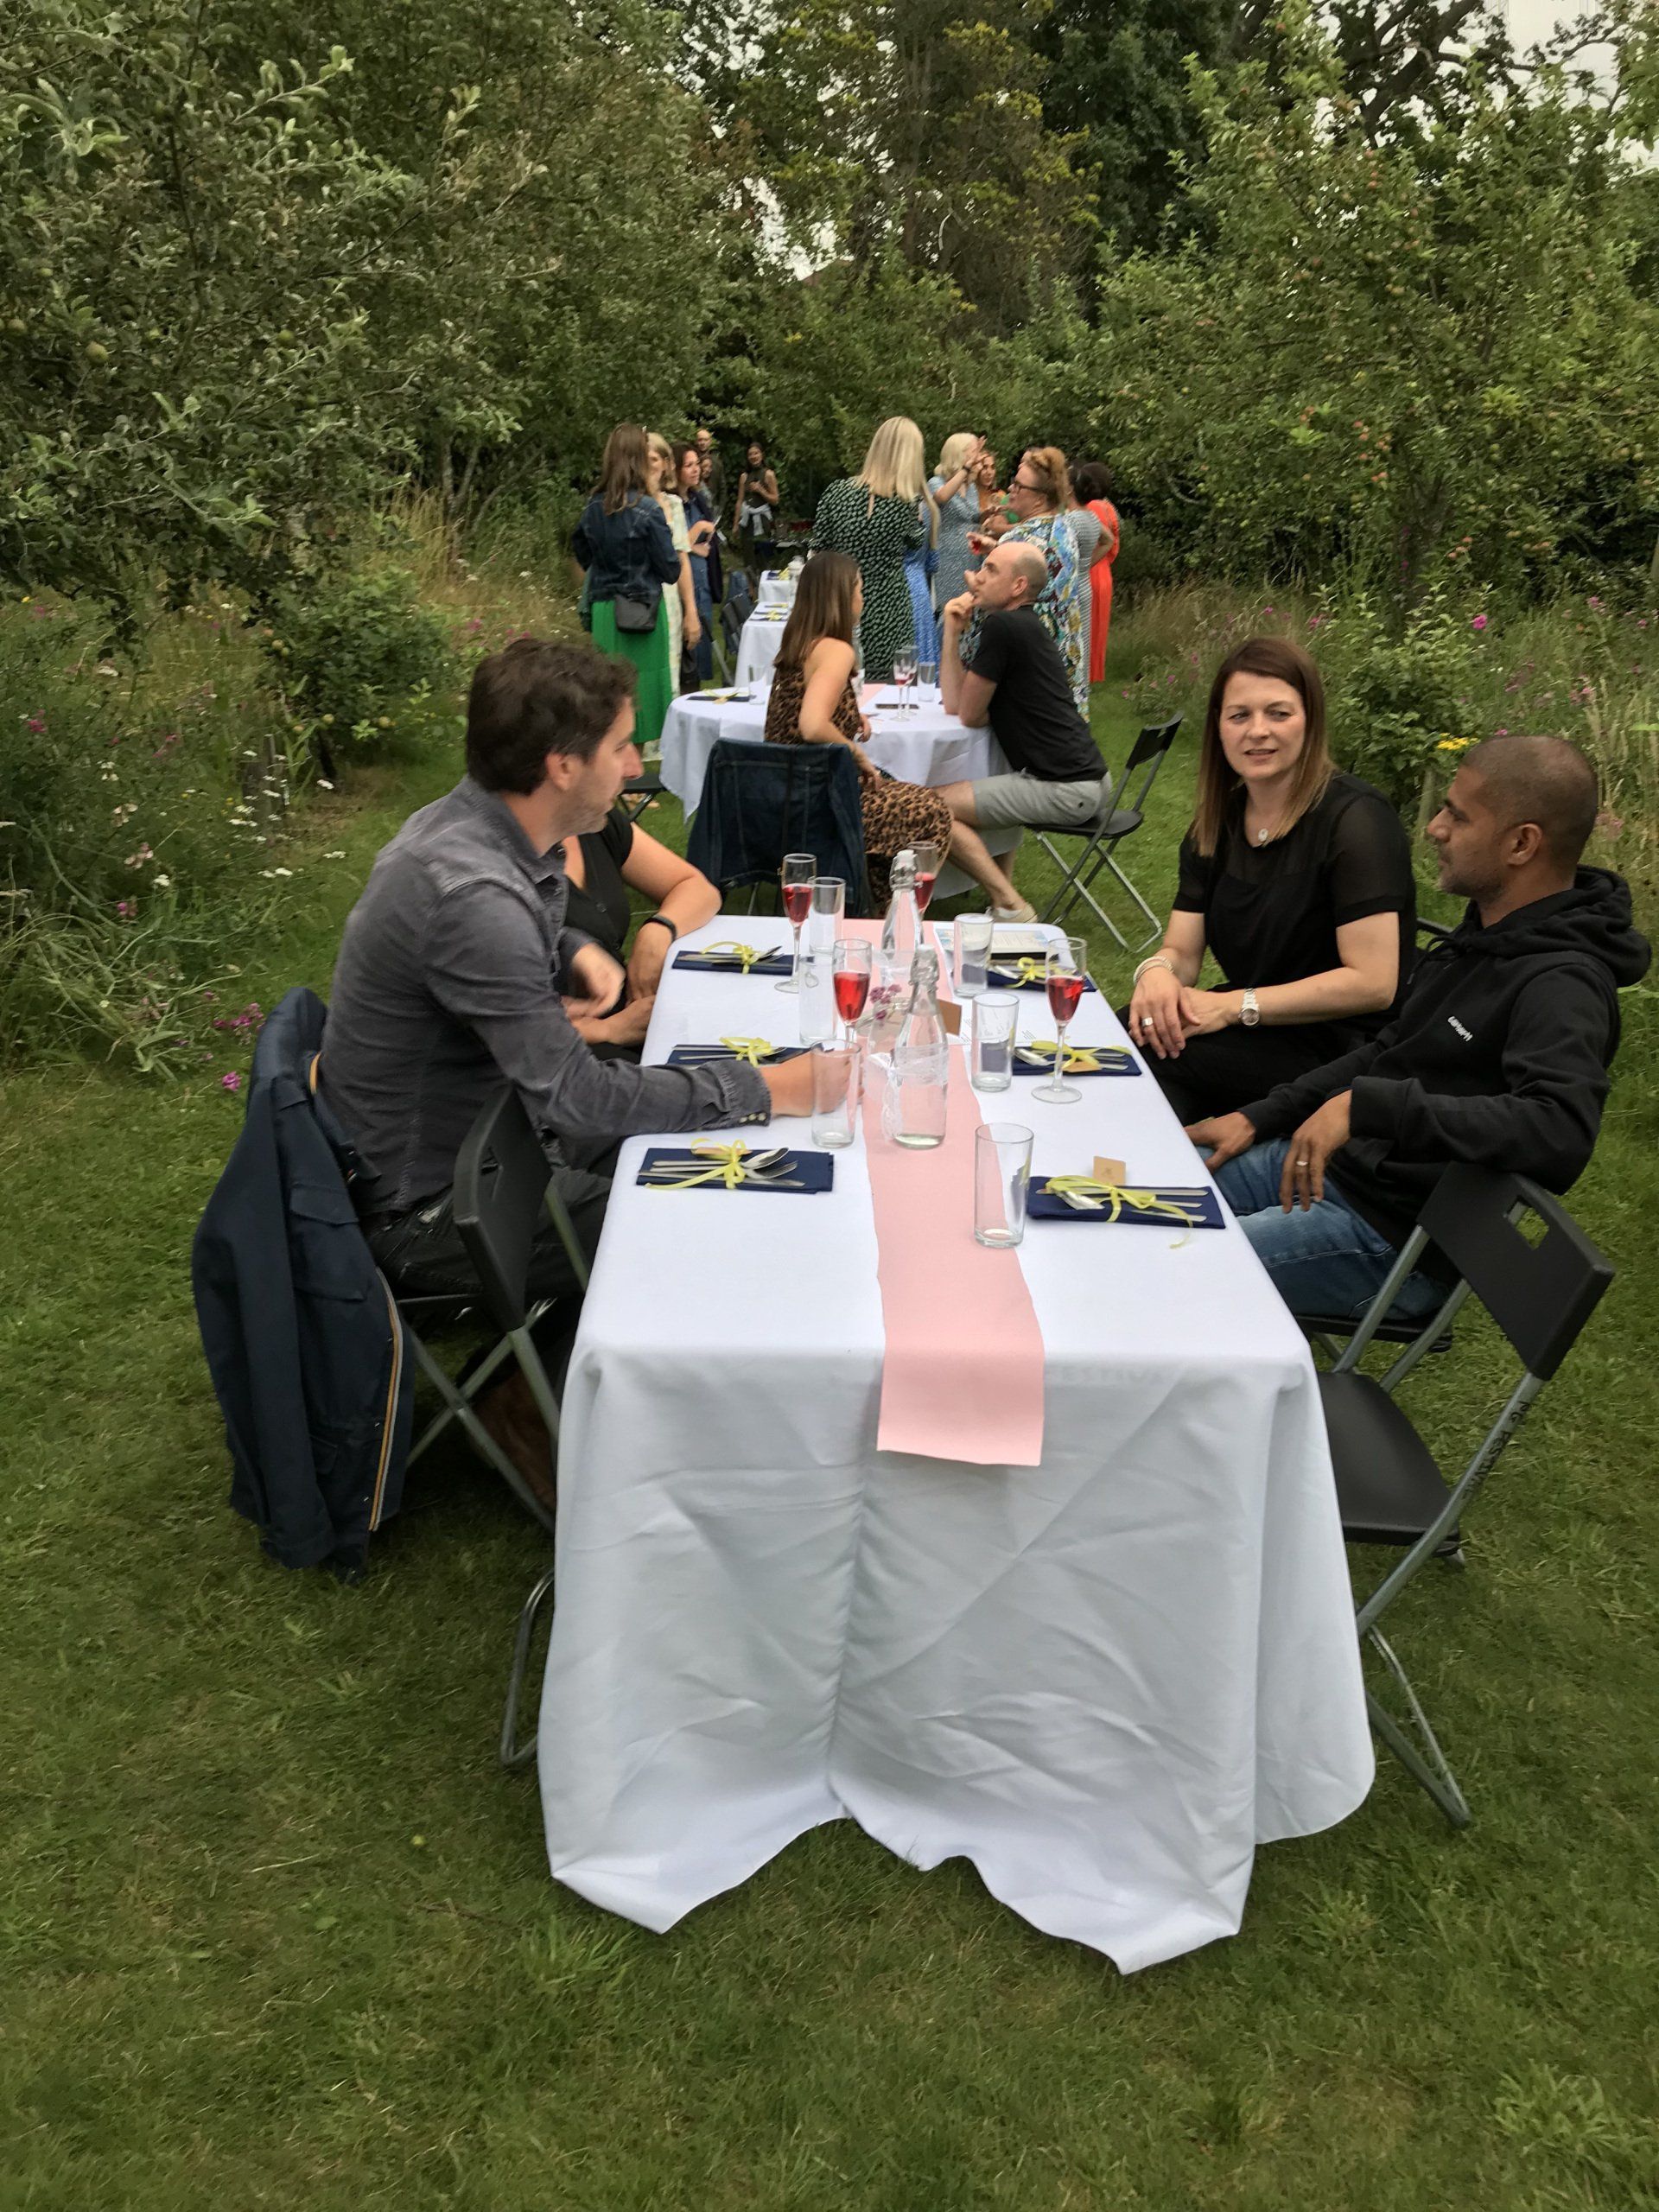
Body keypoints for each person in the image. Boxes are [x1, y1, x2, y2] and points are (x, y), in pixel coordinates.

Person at [324, 638, 813, 1308]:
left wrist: (567, 944)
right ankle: (570, 1396)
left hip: (506, 1145)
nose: (634, 766)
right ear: (561, 766)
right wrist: (766, 1086)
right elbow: (580, 1100)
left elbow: (485, 942)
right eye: (619, 747)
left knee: (738, 1157)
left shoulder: (465, 831)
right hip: (446, 1208)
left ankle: (556, 1386)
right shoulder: (473, 897)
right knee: (735, 1217)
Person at [1189, 734, 1650, 1322]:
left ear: (1520, 843)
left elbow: (1558, 1129)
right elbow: (1388, 1050)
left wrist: (1372, 1108)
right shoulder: (1484, 936)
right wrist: (1259, 1115)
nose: (1434, 827)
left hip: (1391, 1241)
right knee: (1157, 1200)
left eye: (1457, 815)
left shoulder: (1562, 984)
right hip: (1334, 1175)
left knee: (1174, 1271)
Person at [1126, 637, 1414, 1125]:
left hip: (1345, 1045)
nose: (1257, 732)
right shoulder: (1216, 825)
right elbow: (1183, 953)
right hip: (1257, 1023)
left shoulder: (1356, 821)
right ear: (1218, 727)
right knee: (1127, 1035)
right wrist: (1155, 973)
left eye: (1278, 713)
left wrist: (1234, 1007)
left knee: (1148, 1062)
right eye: (1239, 716)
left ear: (1311, 720)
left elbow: (1374, 983)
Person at [763, 551, 953, 905]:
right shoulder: (836, 650)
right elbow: (811, 723)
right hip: (824, 804)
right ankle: (899, 912)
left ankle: (868, 902)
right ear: (842, 595)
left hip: (784, 796)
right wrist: (855, 752)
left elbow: (800, 709)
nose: (863, 600)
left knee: (901, 797)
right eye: (860, 590)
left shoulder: (799, 644)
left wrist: (851, 715)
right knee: (933, 808)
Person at [937, 540, 1108, 919]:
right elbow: (960, 706)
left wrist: (955, 645)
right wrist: (952, 632)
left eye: (991, 570)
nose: (978, 577)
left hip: (1064, 787)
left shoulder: (1004, 627)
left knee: (930, 806)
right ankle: (1003, 899)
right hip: (1086, 780)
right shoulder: (1023, 625)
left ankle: (1009, 903)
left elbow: (965, 713)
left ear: (1018, 587)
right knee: (988, 781)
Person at [561, 804, 720, 1058]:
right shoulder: (494, 864)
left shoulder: (595, 820)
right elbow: (498, 1027)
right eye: (617, 761)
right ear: (564, 767)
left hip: (629, 1024)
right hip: (569, 1060)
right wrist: (606, 1030)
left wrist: (657, 931)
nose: (634, 771)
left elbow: (698, 888)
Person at [572, 424, 681, 753]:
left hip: (606, 609)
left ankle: (619, 771)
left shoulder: (593, 507)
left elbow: (583, 554)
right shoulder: (648, 510)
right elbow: (670, 570)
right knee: (643, 688)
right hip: (642, 611)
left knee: (609, 691)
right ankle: (631, 775)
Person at [957, 445, 1087, 715]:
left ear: (1039, 499)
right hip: (1060, 659)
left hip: (1022, 667)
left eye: (1019, 486)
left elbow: (992, 603)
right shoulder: (1064, 529)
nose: (1011, 489)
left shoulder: (1017, 539)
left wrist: (973, 585)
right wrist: (996, 548)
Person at [810, 416, 929, 681]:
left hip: (838, 610)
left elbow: (817, 550)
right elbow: (915, 543)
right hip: (889, 614)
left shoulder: (835, 492)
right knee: (890, 697)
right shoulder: (906, 503)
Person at [646, 430, 699, 697]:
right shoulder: (629, 505)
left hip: (670, 602)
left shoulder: (674, 505)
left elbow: (682, 559)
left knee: (670, 678)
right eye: (641, 459)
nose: (647, 466)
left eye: (653, 459)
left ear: (666, 463)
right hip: (641, 601)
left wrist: (691, 611)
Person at [1072, 460, 1121, 683]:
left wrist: (1085, 563)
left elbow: (1101, 542)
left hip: (1091, 568)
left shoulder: (1091, 509)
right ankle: (1092, 675)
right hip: (1104, 572)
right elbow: (1114, 544)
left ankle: (1085, 676)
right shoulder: (1109, 507)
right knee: (1097, 629)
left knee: (1087, 629)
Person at [674, 442, 717, 687]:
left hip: (701, 583)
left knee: (700, 655)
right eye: (688, 465)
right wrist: (698, 531)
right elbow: (672, 544)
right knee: (687, 661)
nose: (695, 470)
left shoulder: (696, 498)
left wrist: (696, 545)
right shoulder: (670, 503)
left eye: (697, 464)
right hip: (683, 584)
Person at [928, 432, 984, 608]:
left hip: (971, 557)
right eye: (974, 452)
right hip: (947, 560)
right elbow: (942, 497)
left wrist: (987, 514)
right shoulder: (936, 482)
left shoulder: (972, 487)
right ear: (960, 454)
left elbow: (971, 517)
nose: (978, 458)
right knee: (949, 611)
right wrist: (966, 468)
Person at [733, 441, 779, 574]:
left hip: (763, 520)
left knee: (763, 557)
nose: (754, 456)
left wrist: (761, 490)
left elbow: (775, 500)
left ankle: (765, 589)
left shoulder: (768, 474)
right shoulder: (744, 476)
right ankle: (752, 592)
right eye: (750, 454)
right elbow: (740, 501)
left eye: (756, 453)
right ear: (748, 458)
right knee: (748, 559)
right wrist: (736, 524)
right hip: (747, 522)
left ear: (762, 455)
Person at [694, 424, 726, 520]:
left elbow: (722, 488)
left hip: (712, 508)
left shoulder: (717, 463)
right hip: (694, 506)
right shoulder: (691, 459)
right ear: (696, 441)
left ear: (710, 442)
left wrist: (720, 509)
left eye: (705, 440)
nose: (702, 443)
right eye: (700, 440)